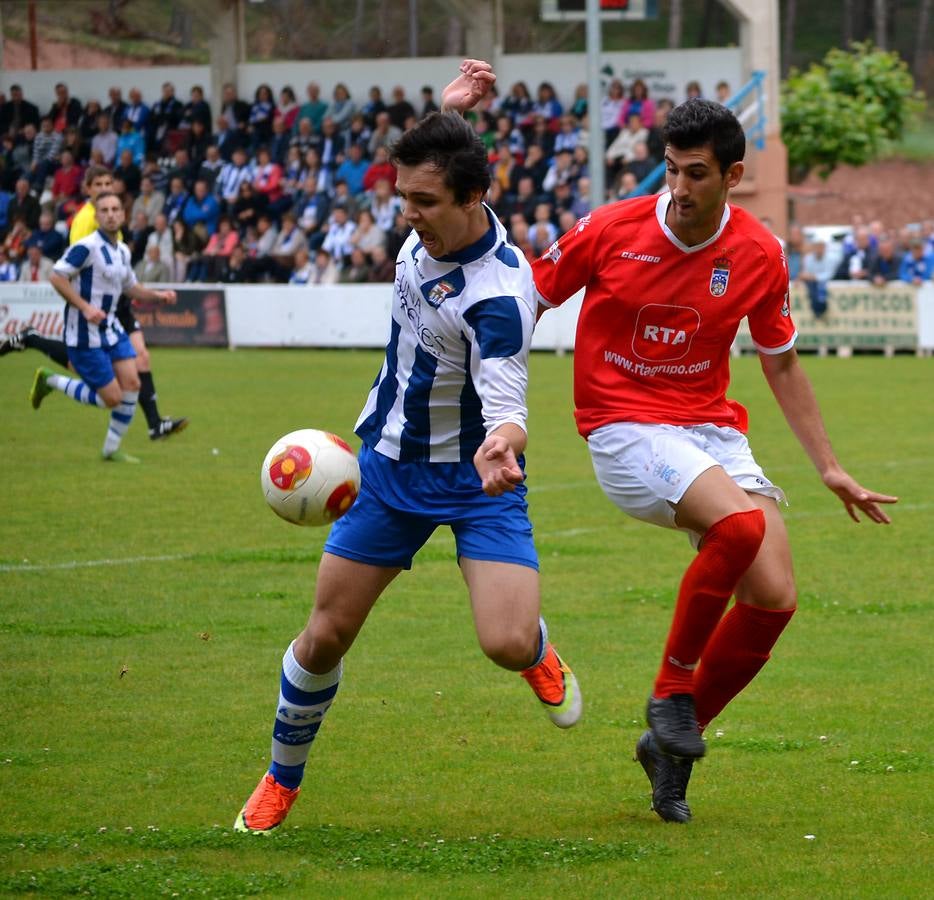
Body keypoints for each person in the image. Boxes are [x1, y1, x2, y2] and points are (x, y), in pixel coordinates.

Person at [452, 75, 897, 820]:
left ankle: (667, 743)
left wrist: (829, 466)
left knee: (774, 595)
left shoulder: (760, 252)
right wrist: (492, 407)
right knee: (739, 525)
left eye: (698, 173)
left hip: (710, 430)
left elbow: (780, 359)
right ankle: (671, 692)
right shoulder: (612, 229)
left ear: (733, 176)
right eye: (672, 168)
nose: (681, 187)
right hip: (623, 426)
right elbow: (525, 299)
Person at [233, 62, 582, 834]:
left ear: (470, 199)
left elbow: (506, 390)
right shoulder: (438, 207)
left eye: (423, 202)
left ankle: (537, 652)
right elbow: (441, 159)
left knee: (504, 640)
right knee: (323, 636)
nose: (410, 215)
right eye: (403, 199)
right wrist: (447, 112)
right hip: (388, 466)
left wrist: (505, 441)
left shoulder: (499, 297)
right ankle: (280, 778)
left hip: (476, 478)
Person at [0, 166, 188, 440]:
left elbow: (125, 277)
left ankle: (152, 425)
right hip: (94, 308)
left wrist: (158, 296)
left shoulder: (118, 240)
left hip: (114, 302)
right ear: (88, 189)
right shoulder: (86, 224)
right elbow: (71, 271)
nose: (103, 189)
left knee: (137, 364)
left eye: (107, 183)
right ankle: (38, 350)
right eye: (97, 184)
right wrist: (86, 306)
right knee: (103, 379)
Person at [29, 192, 178, 462]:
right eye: (105, 210)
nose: (110, 214)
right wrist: (85, 307)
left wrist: (158, 296)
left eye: (115, 209)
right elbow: (57, 276)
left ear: (123, 215)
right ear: (97, 216)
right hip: (84, 334)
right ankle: (50, 380)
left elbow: (130, 287)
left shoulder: (122, 250)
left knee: (133, 383)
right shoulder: (86, 247)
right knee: (112, 398)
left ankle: (111, 449)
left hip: (111, 328)